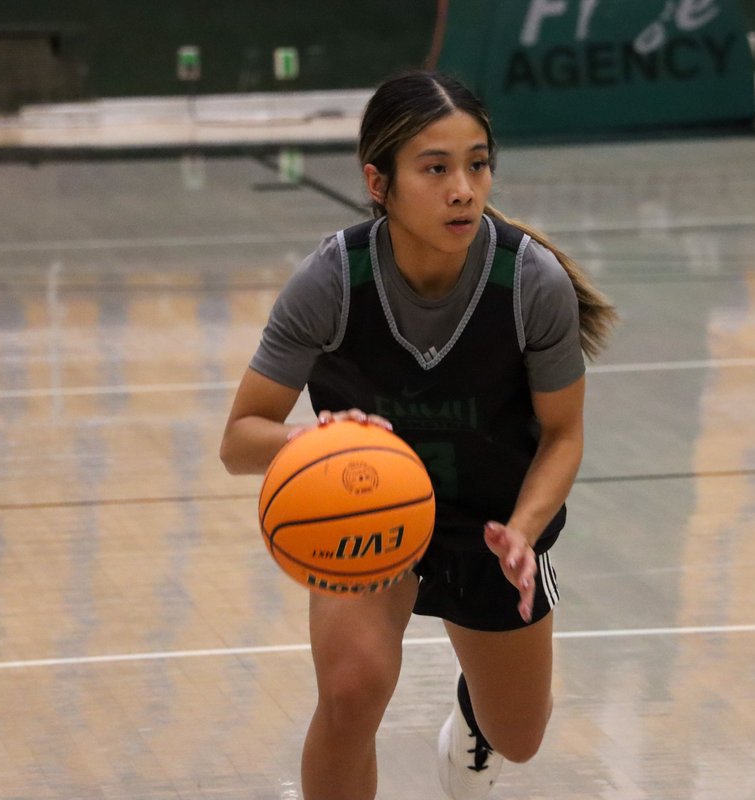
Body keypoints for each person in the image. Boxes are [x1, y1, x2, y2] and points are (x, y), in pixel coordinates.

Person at [220, 69, 616, 800]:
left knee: (520, 736)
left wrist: (524, 533)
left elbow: (562, 436)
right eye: (435, 168)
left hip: (495, 521)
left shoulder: (531, 284)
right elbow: (239, 439)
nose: (463, 188)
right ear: (380, 181)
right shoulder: (334, 279)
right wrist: (314, 440)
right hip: (366, 512)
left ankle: (475, 722)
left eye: (477, 163)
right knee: (349, 696)